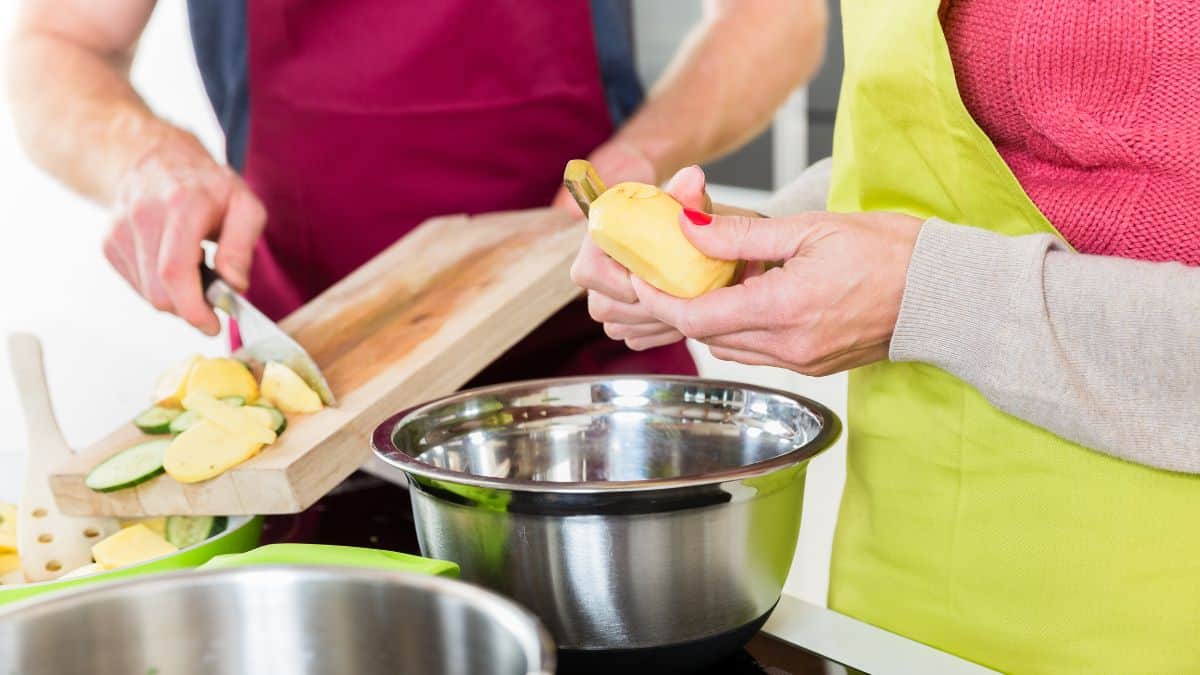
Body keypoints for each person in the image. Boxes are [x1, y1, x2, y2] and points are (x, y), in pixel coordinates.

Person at [573, 1, 1200, 673]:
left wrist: (927, 293)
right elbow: (932, 153)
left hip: (1153, 604)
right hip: (904, 585)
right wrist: (759, 244)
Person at [6, 0, 826, 382]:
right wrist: (144, 157)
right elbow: (56, 40)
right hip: (314, 386)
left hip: (594, 356)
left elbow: (779, 18)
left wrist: (645, 152)